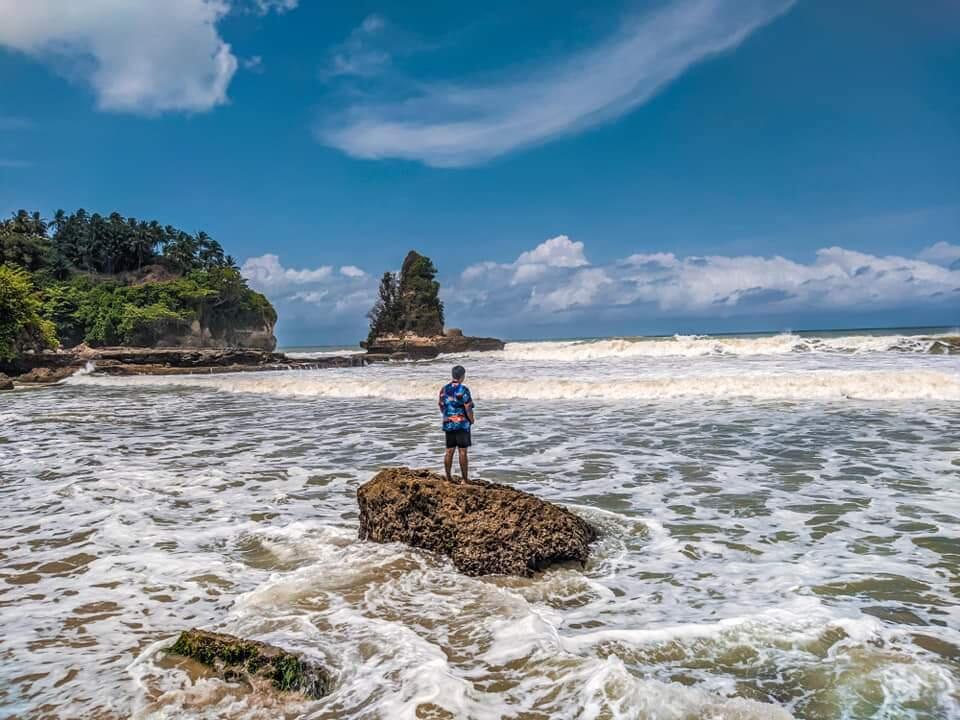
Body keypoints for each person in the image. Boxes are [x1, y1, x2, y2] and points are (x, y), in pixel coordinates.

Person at [439, 364, 475, 482]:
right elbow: (468, 406)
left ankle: (448, 478)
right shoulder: (463, 389)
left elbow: (440, 404)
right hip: (461, 423)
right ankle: (465, 479)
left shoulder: (444, 389)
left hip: (448, 422)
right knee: (462, 451)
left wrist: (446, 415)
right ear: (463, 376)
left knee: (449, 450)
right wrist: (471, 419)